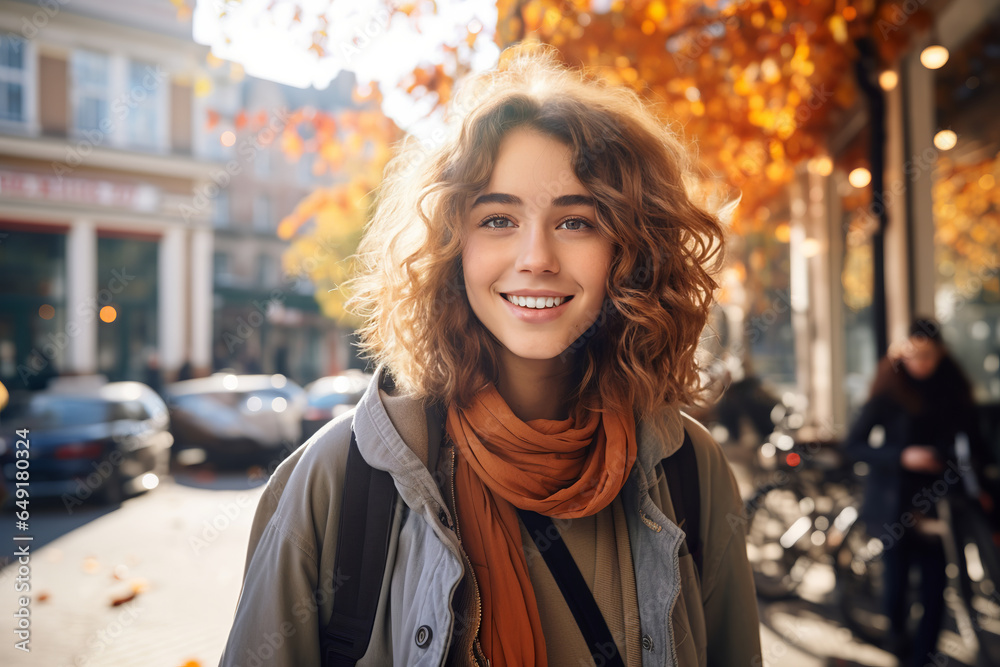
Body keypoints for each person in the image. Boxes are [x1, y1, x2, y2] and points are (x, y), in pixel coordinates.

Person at [219, 45, 761, 667]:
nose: (535, 257)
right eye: (498, 219)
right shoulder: (340, 477)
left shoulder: (689, 471)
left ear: (632, 250)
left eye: (577, 222)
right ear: (451, 246)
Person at [844, 317, 992, 667]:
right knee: (894, 586)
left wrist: (976, 485)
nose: (920, 363)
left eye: (928, 355)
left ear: (940, 353)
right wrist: (902, 456)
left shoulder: (953, 388)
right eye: (914, 355)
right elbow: (854, 444)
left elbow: (974, 445)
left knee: (935, 586)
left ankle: (923, 656)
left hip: (940, 502)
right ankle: (899, 643)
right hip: (895, 502)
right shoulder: (889, 387)